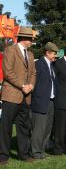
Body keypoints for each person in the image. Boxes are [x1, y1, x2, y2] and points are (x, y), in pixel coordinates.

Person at [0, 27, 36, 165]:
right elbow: (7, 72)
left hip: (26, 96)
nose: (32, 41)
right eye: (31, 39)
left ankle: (24, 155)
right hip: (11, 95)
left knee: (24, 127)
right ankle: (3, 156)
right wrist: (23, 85)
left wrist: (31, 86)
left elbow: (33, 73)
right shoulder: (10, 50)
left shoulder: (31, 55)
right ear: (25, 39)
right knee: (6, 128)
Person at [30, 42, 59, 159]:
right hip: (40, 102)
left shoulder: (51, 65)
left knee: (47, 128)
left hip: (51, 101)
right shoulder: (39, 64)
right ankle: (36, 152)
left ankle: (41, 151)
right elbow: (34, 83)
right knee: (39, 129)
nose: (55, 57)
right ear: (47, 53)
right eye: (54, 54)